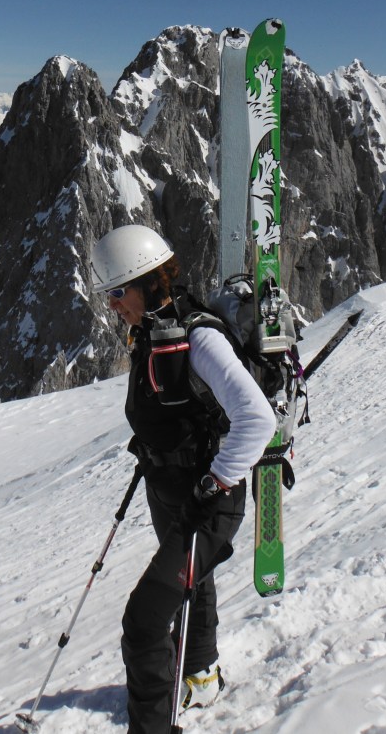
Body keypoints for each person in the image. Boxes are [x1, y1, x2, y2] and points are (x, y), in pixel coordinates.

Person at [90, 224, 276, 734]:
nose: (112, 305)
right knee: (194, 583)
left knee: (144, 622)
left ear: (149, 281)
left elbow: (257, 419)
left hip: (206, 500)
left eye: (118, 292)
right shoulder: (154, 329)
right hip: (169, 487)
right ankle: (200, 673)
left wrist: (213, 485)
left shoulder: (198, 337)